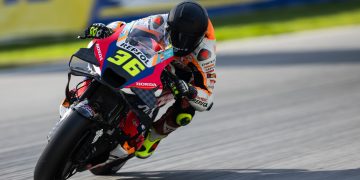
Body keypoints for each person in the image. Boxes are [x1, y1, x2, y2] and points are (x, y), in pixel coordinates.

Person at [67, 1, 217, 159]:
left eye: (188, 38)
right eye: (177, 34)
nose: (181, 41)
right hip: (156, 56)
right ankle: (79, 95)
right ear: (170, 25)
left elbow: (207, 99)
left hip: (180, 74)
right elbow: (124, 28)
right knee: (101, 56)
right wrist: (106, 30)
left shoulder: (205, 53)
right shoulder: (160, 22)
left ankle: (153, 136)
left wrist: (189, 90)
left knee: (185, 113)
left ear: (199, 37)